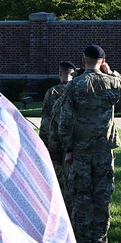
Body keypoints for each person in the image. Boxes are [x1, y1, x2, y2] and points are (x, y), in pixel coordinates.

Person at [57, 44, 121, 243]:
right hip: (103, 147)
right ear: (103, 61)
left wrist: (68, 148)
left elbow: (65, 121)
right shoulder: (112, 83)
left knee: (81, 195)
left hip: (81, 149)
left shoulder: (74, 86)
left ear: (84, 61)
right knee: (102, 195)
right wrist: (112, 72)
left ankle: (82, 241)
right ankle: (99, 240)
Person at [39, 61, 75, 202]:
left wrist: (43, 141)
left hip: (55, 141)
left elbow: (46, 120)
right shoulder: (77, 90)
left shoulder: (53, 92)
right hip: (73, 141)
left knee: (57, 176)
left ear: (60, 73)